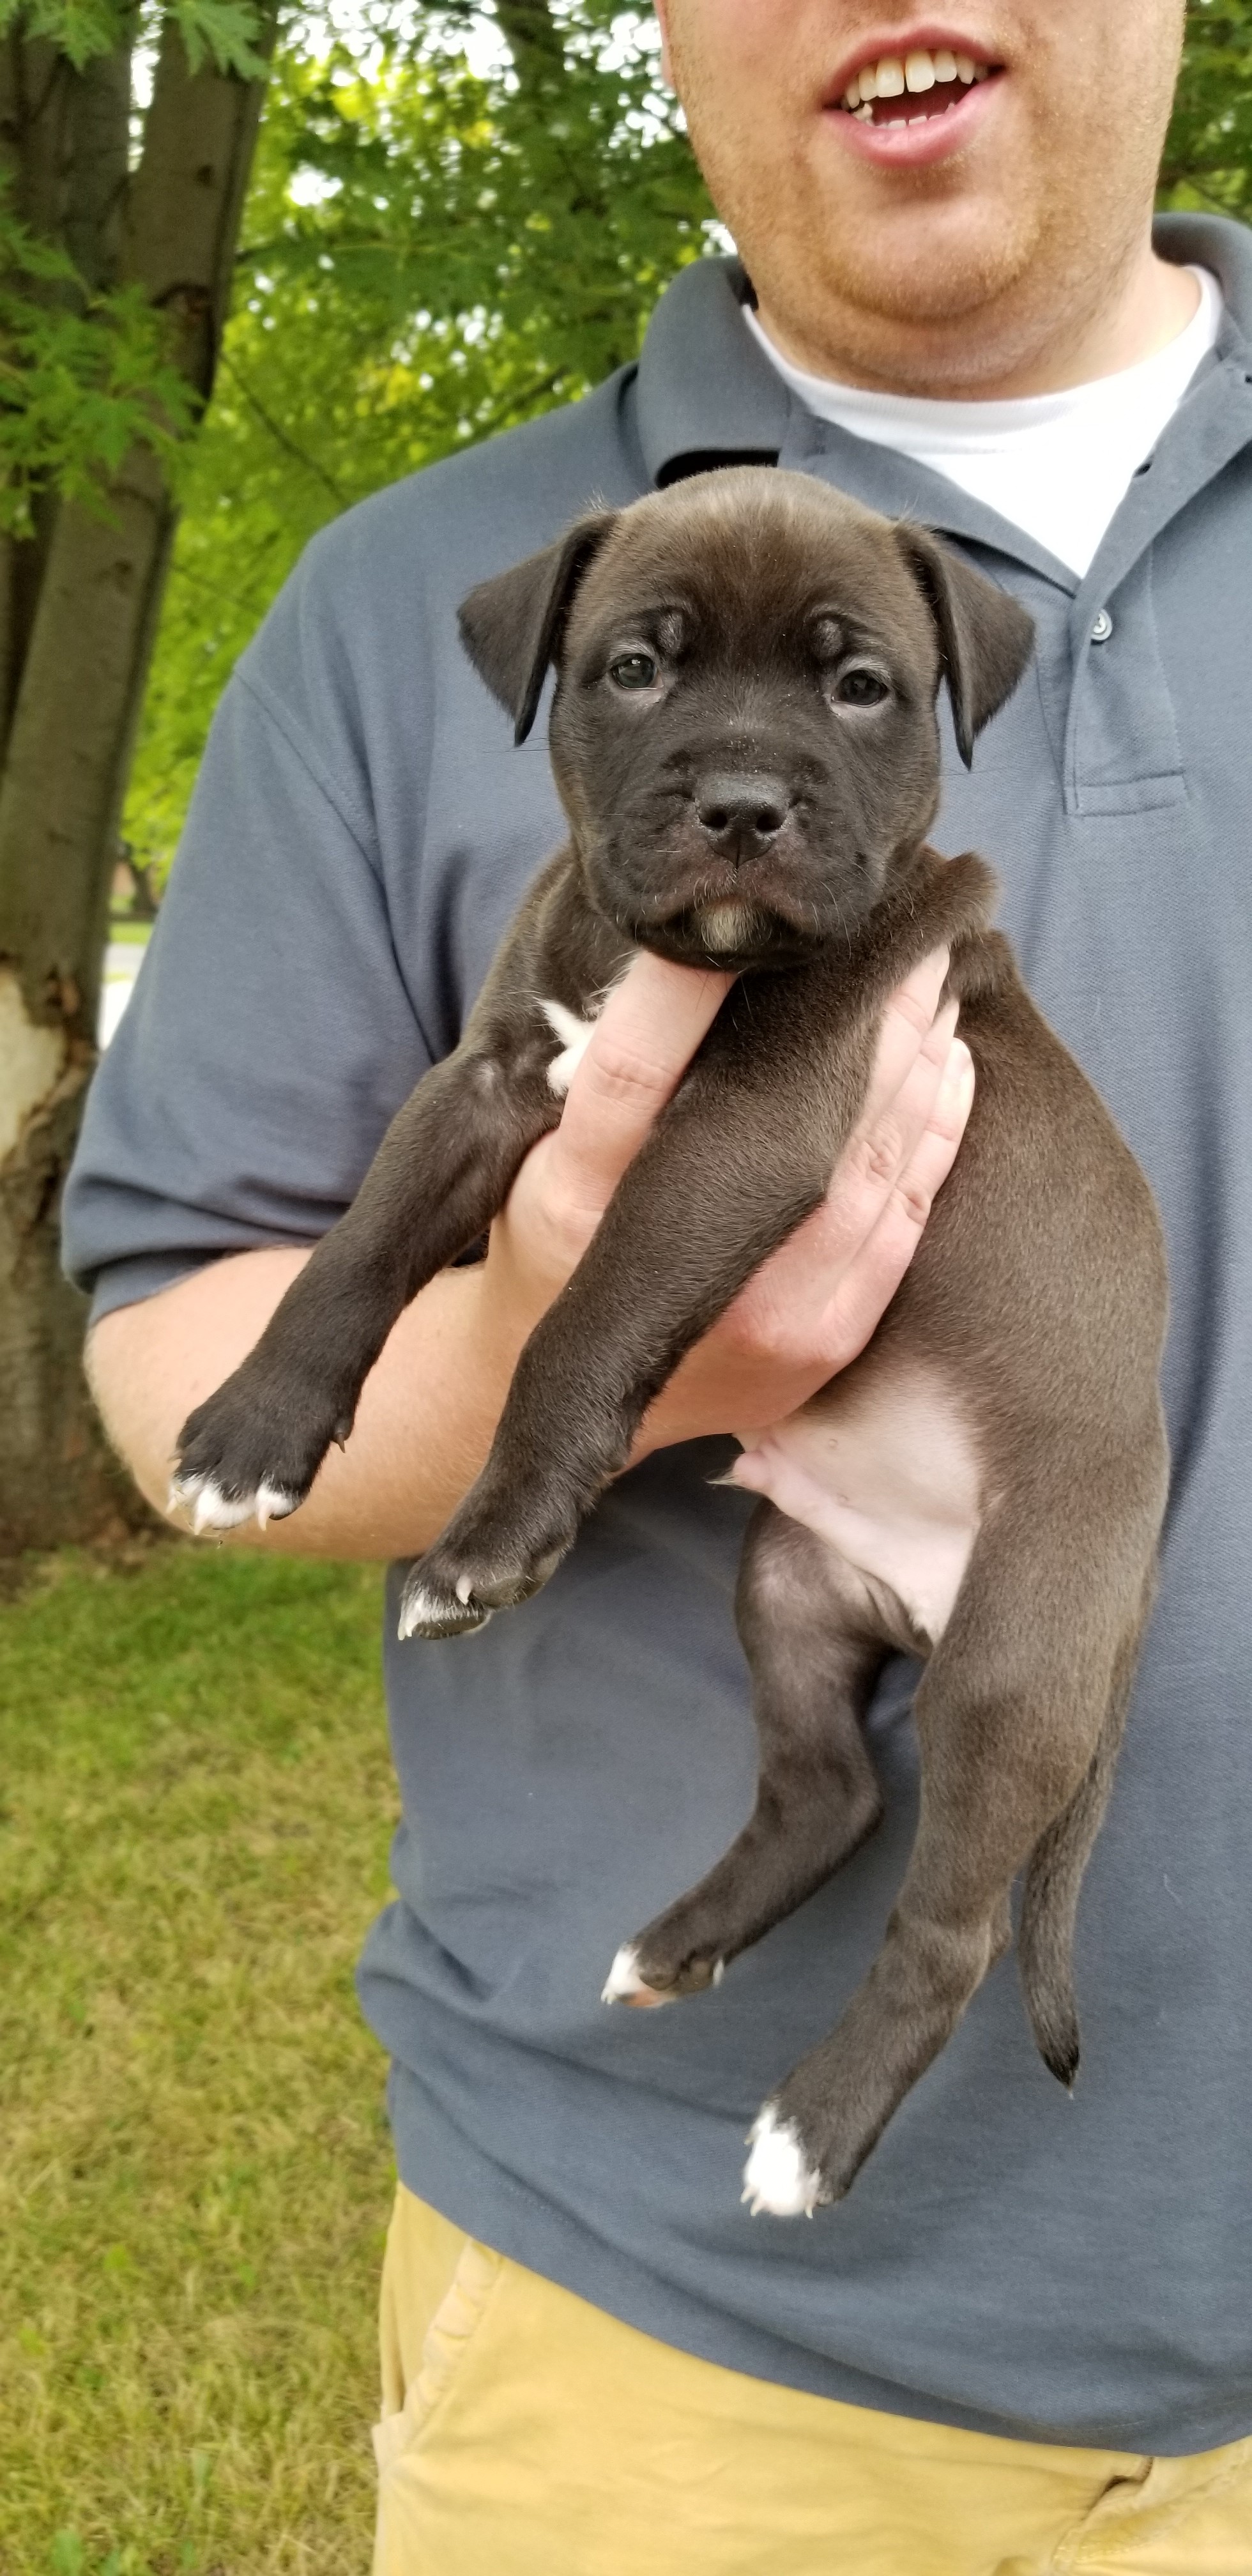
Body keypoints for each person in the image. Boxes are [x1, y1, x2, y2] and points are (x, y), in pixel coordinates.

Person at [66, 1, 1252, 2565]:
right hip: (671, 2367)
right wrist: (523, 1362)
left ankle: (922, 1975)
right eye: (642, 684)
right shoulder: (398, 600)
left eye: (838, 694)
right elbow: (181, 1341)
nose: (733, 770)